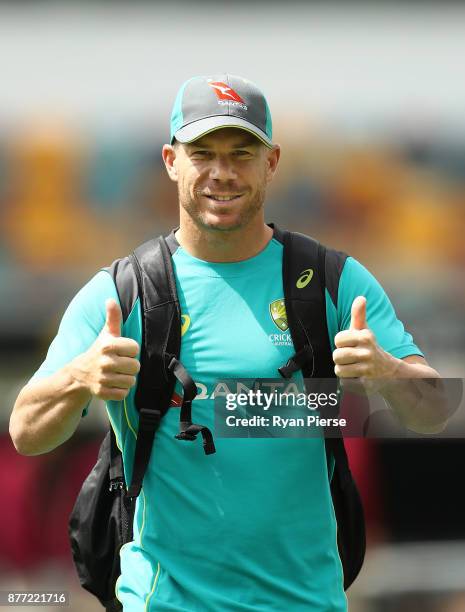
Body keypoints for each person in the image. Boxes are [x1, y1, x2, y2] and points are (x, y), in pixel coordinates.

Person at [10, 74, 444, 611]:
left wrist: (388, 374)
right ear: (171, 161)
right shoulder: (123, 293)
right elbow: (26, 433)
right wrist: (81, 378)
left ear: (273, 162)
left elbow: (433, 411)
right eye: (203, 154)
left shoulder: (334, 282)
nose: (222, 173)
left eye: (241, 153)